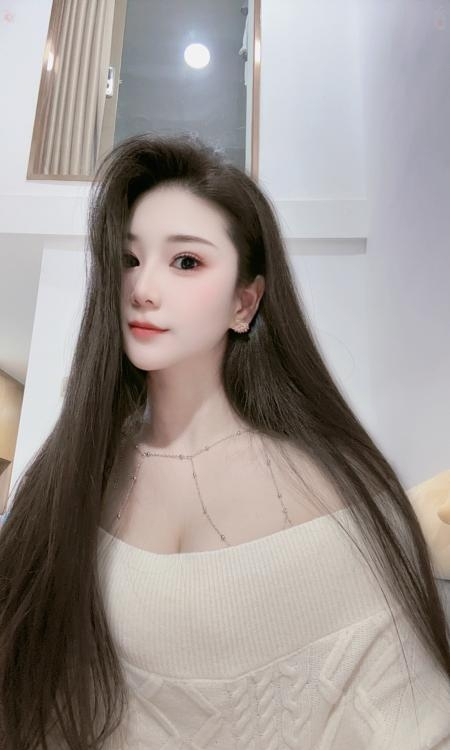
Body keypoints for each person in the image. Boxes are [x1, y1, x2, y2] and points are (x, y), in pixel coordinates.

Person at [1, 133, 449, 749]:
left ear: (246, 302)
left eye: (186, 261)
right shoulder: (73, 472)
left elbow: (405, 716)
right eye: (129, 259)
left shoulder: (330, 490)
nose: (143, 288)